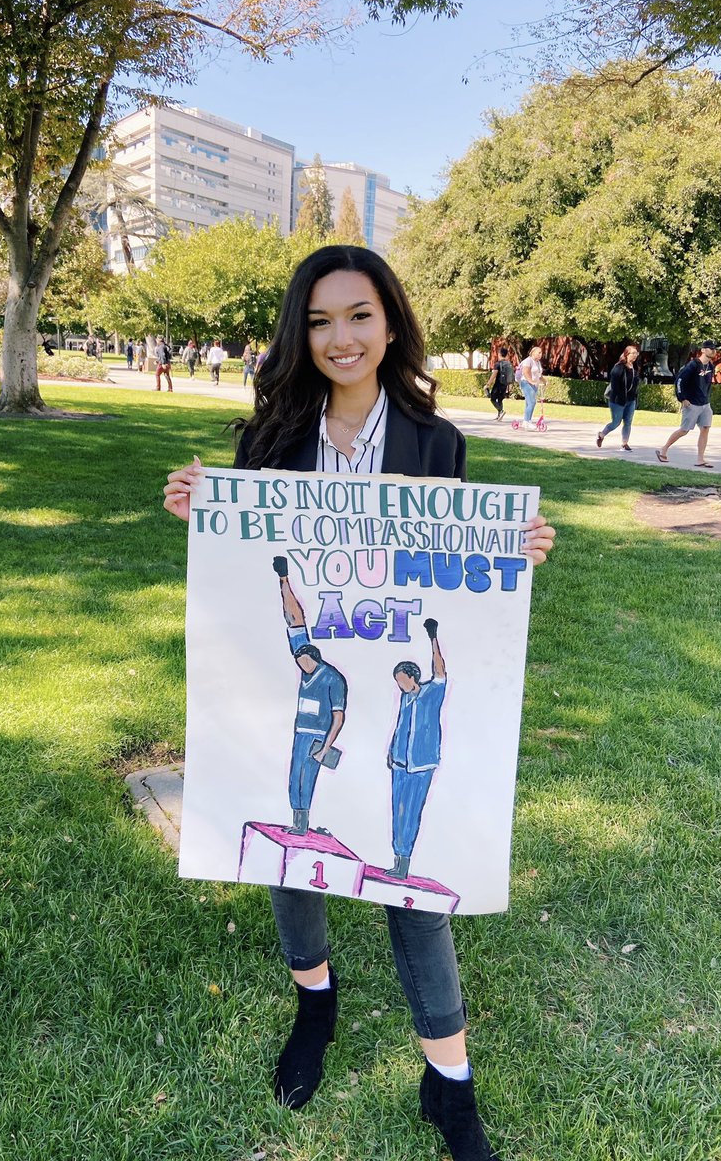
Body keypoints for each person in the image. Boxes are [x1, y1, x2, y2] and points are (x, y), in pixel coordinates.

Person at [163, 245, 555, 1161]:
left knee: (416, 875)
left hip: (389, 677)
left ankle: (449, 1081)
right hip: (299, 674)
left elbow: (454, 586)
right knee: (290, 852)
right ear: (302, 333)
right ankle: (316, 1003)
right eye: (319, 320)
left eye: (360, 316)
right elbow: (248, 565)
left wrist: (512, 551)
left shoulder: (434, 442)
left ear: (390, 324)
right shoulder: (268, 441)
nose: (341, 338)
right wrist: (200, 509)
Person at [273, 556, 347, 835]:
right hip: (300, 731)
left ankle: (303, 825)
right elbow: (294, 619)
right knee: (295, 777)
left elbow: (338, 717)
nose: (300, 665)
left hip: (317, 735)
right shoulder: (302, 657)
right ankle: (297, 822)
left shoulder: (332, 679)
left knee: (308, 777)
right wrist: (283, 580)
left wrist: (327, 746)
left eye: (304, 662)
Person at [386, 617, 445, 879]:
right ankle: (397, 860)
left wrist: (433, 638)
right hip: (400, 763)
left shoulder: (431, 692)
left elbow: (441, 671)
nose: (400, 685)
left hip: (421, 765)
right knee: (398, 812)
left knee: (411, 812)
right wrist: (391, 751)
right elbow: (400, 727)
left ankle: (405, 863)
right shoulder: (405, 698)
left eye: (402, 680)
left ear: (413, 677)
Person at [656, 341, 719, 468]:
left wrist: (706, 398)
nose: (713, 351)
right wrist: (682, 398)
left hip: (705, 404)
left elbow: (706, 385)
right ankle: (664, 450)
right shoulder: (693, 365)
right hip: (692, 404)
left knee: (705, 429)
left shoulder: (710, 366)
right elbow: (679, 381)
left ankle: (700, 459)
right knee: (684, 430)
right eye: (710, 348)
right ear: (703, 350)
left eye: (714, 349)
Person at [597, 344, 640, 451]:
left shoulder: (634, 367)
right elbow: (615, 386)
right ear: (626, 354)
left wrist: (634, 397)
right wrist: (621, 398)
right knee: (616, 422)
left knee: (628, 422)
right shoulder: (618, 367)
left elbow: (635, 385)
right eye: (633, 353)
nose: (635, 356)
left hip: (630, 400)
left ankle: (625, 443)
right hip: (617, 401)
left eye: (636, 353)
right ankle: (602, 434)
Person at [485, 347, 514, 421]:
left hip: (498, 384)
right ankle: (499, 416)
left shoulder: (498, 364)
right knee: (500, 400)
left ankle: (501, 411)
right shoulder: (508, 364)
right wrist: (510, 385)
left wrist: (488, 384)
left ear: (499, 354)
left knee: (493, 399)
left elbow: (494, 375)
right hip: (505, 385)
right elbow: (511, 375)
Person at [519, 345, 543, 429]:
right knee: (532, 402)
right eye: (539, 352)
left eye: (541, 352)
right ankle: (526, 422)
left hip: (534, 384)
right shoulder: (528, 361)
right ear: (533, 353)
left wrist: (544, 381)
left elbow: (539, 374)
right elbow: (525, 372)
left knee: (529, 403)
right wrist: (531, 381)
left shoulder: (537, 362)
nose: (541, 354)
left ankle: (527, 421)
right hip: (526, 383)